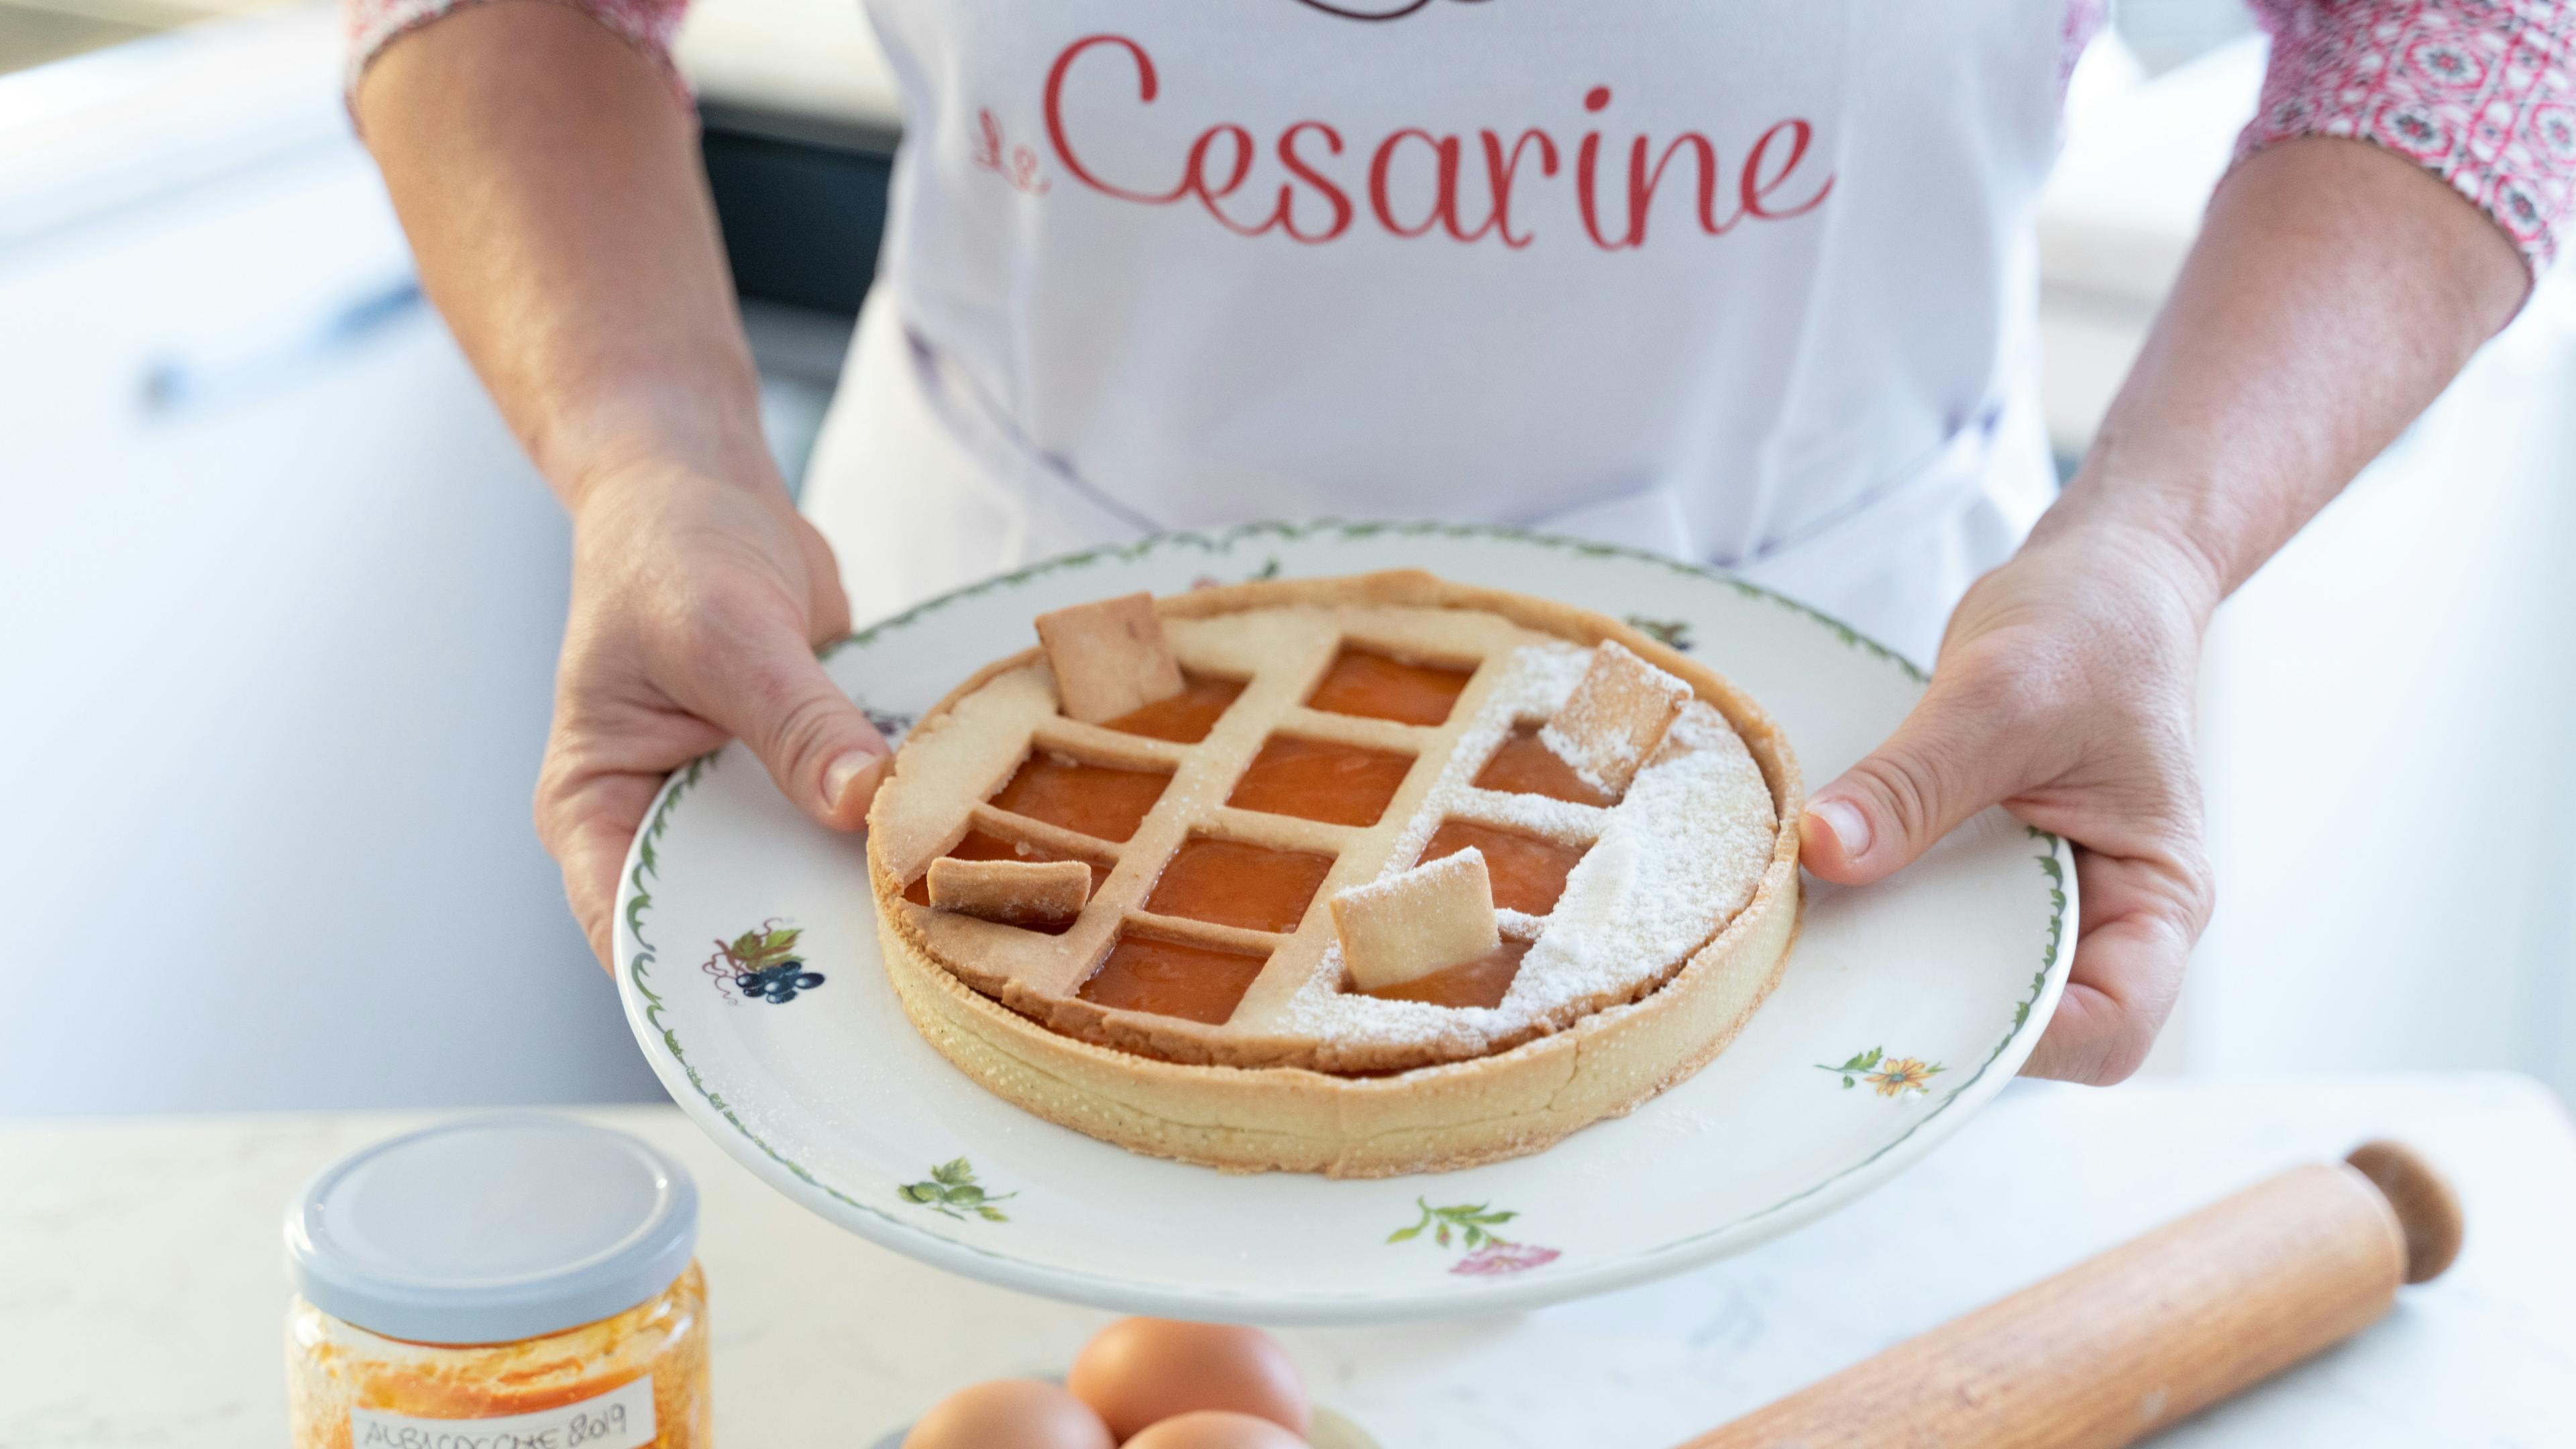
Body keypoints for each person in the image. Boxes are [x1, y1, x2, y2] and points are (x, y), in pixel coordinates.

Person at [347, 0, 2563, 1083]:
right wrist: (651, 452)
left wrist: (2157, 545)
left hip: (1857, 768)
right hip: (958, 743)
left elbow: (2462, 27)